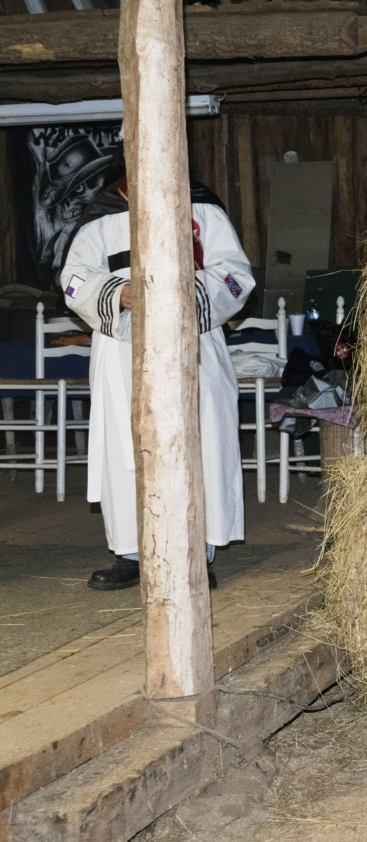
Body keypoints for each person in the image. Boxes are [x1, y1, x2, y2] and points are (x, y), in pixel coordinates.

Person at [59, 173, 255, 591]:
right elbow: (74, 279)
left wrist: (187, 291)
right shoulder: (103, 216)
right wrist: (117, 293)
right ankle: (132, 554)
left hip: (194, 344)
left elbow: (237, 276)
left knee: (198, 446)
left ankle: (196, 556)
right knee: (127, 449)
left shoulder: (200, 209)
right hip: (121, 351)